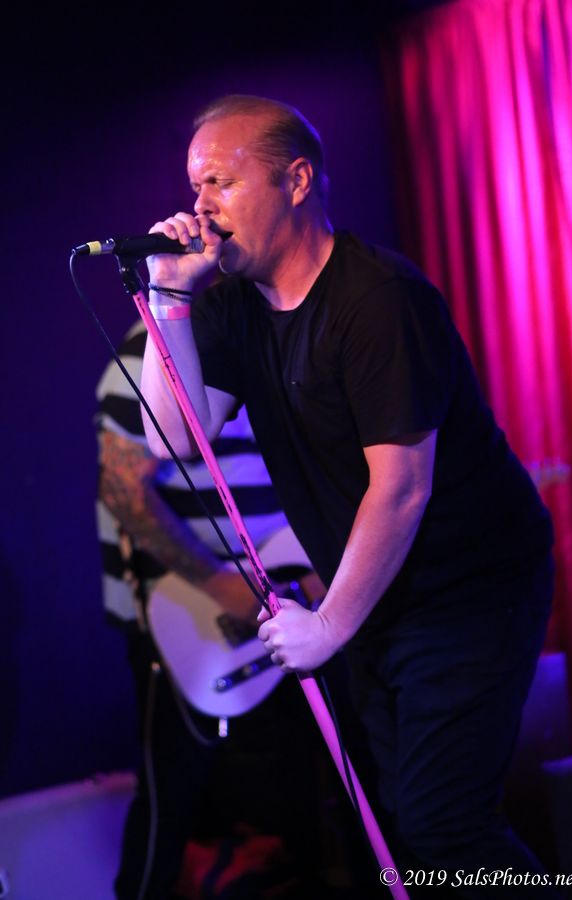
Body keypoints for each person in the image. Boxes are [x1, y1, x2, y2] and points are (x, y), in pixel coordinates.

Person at [139, 94, 557, 896]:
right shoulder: (231, 305)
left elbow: (401, 487)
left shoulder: (378, 299)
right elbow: (174, 441)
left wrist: (330, 623)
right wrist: (171, 302)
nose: (202, 205)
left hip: (466, 590)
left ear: (297, 181)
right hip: (379, 591)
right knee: (395, 825)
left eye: (222, 181)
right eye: (196, 187)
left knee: (444, 828)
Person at [96, 319, 334, 899]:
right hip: (192, 620)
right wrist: (220, 585)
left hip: (283, 606)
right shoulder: (146, 350)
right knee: (170, 799)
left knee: (308, 791)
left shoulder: (261, 334)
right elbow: (123, 489)